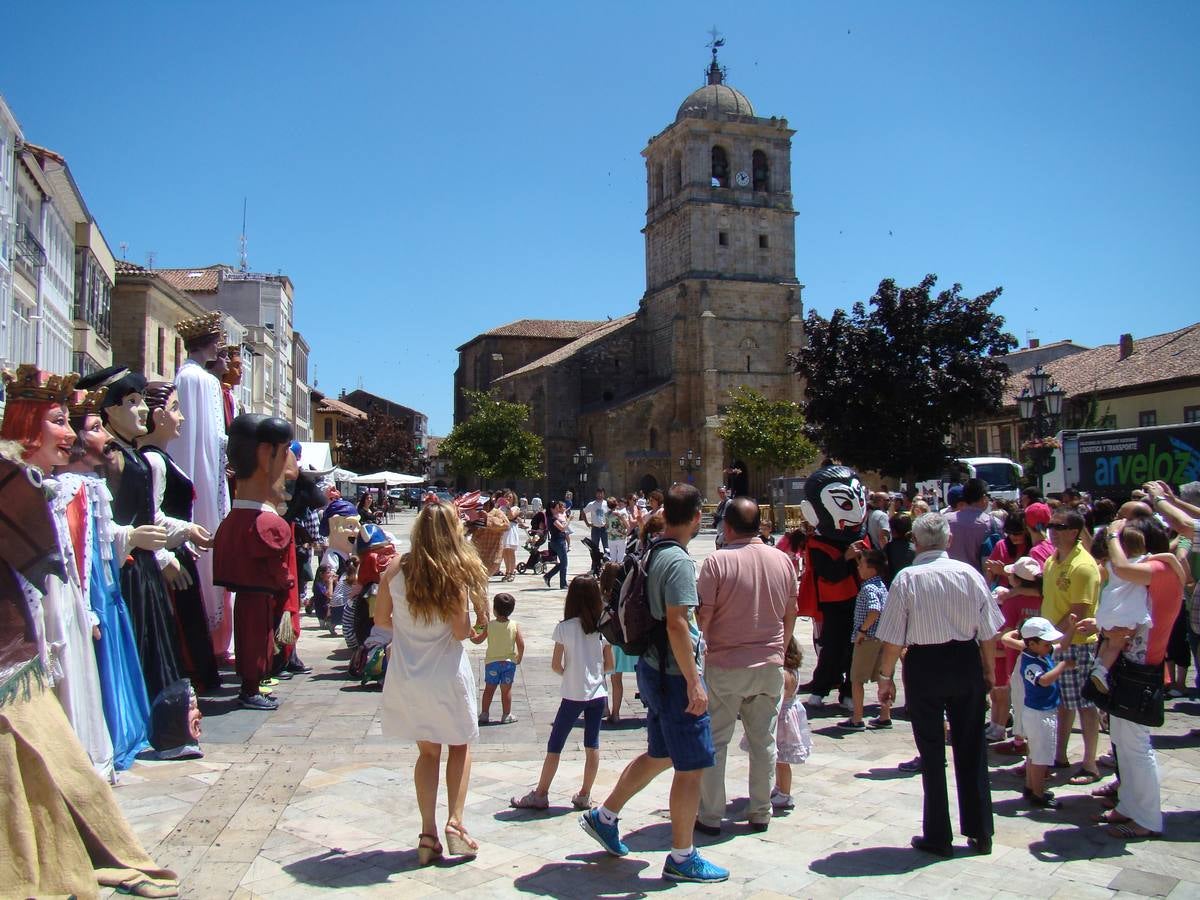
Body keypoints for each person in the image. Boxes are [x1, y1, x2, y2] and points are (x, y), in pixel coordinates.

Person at [579, 483, 728, 884]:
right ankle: (682, 855)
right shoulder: (678, 561)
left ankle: (604, 815)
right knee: (693, 766)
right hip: (675, 674)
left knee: (661, 754)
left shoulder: (651, 548)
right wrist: (696, 683)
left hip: (651, 666)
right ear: (697, 516)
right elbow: (679, 624)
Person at [876, 512, 1004, 858]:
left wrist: (885, 679)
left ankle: (938, 835)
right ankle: (980, 831)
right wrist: (989, 670)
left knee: (931, 753)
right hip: (965, 661)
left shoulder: (907, 579)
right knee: (971, 747)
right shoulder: (970, 574)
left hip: (925, 666)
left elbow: (891, 639)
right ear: (948, 540)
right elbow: (990, 630)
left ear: (916, 543)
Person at [376, 501, 489, 863]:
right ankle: (455, 822)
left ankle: (427, 833)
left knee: (427, 753)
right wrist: (477, 629)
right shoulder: (453, 574)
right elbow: (460, 632)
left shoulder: (396, 568)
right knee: (460, 745)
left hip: (408, 674)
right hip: (445, 676)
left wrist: (410, 636)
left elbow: (380, 619)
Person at [696, 497, 797, 834]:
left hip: (725, 664)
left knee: (717, 741)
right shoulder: (782, 560)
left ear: (726, 526)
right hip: (769, 664)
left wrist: (701, 658)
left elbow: (704, 617)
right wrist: (780, 650)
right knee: (764, 741)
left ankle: (710, 816)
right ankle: (760, 811)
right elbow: (790, 612)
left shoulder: (716, 562)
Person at [1093, 514, 1186, 839]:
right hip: (1131, 666)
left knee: (1136, 746)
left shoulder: (1161, 569)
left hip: (1141, 669)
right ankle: (1130, 806)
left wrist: (1114, 536)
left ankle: (1146, 818)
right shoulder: (1163, 565)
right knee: (1123, 742)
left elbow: (1120, 569)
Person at [138, 381, 222, 695]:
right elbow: (150, 515)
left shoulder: (162, 458)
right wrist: (185, 532)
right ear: (158, 416)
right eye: (175, 409)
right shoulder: (153, 462)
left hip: (176, 554)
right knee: (179, 632)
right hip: (167, 560)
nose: (182, 417)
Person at [211, 414, 296, 711]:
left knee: (251, 636)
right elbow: (275, 568)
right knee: (256, 640)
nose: (292, 466)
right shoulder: (267, 524)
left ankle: (253, 685)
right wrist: (285, 581)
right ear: (264, 454)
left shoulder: (232, 521)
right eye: (286, 451)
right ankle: (250, 687)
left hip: (248, 595)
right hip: (258, 597)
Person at [511, 575, 613, 810]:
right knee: (592, 744)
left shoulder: (564, 628)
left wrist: (570, 673)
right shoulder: (601, 628)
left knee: (555, 744)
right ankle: (585, 794)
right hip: (597, 693)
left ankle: (541, 793)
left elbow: (556, 664)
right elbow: (610, 664)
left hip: (573, 693)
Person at [167, 312, 233, 659]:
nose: (221, 350)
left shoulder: (184, 377)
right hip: (205, 475)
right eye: (218, 343)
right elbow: (209, 438)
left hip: (201, 470)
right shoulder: (203, 381)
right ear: (208, 344)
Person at [1041, 509, 1103, 785]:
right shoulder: (1053, 560)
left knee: (1085, 705)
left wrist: (1054, 635)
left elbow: (1079, 609)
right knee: (1063, 704)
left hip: (1076, 644)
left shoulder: (1083, 566)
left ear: (1074, 531)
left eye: (1058, 526)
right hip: (1056, 641)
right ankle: (1060, 755)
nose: (1052, 530)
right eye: (1050, 525)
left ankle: (1090, 764)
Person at [1017, 616, 1076, 808]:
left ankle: (1030, 786)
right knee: (1040, 756)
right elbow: (1044, 680)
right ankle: (1038, 793)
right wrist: (1062, 666)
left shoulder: (1041, 653)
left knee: (1035, 753)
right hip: (1039, 714)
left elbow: (1062, 645)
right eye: (1046, 643)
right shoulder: (1030, 663)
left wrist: (1072, 627)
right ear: (1032, 643)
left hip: (1042, 712)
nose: (1050, 646)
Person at [1089, 525, 1152, 692]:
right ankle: (1102, 670)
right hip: (1124, 611)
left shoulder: (1109, 565)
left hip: (1107, 610)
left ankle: (1098, 663)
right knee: (1117, 643)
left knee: (1109, 641)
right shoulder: (1140, 562)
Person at [840, 549, 892, 730]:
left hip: (868, 639)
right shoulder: (882, 585)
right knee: (883, 677)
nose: (859, 568)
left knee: (857, 679)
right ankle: (885, 715)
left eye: (862, 564)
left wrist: (863, 630)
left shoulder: (868, 588)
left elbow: (874, 609)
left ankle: (857, 718)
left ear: (872, 569)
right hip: (882, 639)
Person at [763, 637, 811, 811]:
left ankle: (785, 794)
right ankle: (779, 787)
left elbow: (778, 696)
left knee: (782, 759)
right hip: (787, 716)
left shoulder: (785, 674)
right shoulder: (793, 670)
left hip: (783, 719)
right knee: (777, 758)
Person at [471, 592, 524, 724]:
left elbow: (478, 640)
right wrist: (519, 657)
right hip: (508, 664)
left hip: (492, 663)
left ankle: (484, 714)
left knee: (489, 689)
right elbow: (521, 644)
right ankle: (506, 715)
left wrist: (472, 634)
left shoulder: (490, 625)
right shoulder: (515, 625)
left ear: (494, 610)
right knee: (506, 690)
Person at [601, 561, 638, 722]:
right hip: (627, 641)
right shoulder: (627, 593)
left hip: (611, 641)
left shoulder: (602, 596)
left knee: (614, 679)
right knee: (638, 678)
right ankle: (616, 713)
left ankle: (609, 711)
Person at [946, 479, 999, 574]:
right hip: (979, 579)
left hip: (949, 577)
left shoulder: (945, 520)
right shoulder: (991, 523)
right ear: (983, 497)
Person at [543, 500, 571, 589]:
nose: (558, 510)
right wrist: (569, 519)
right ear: (551, 509)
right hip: (558, 541)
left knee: (562, 563)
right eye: (556, 508)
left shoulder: (551, 517)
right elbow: (562, 528)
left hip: (556, 541)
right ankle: (563, 584)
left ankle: (548, 576)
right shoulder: (552, 519)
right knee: (564, 563)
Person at [584, 488, 609, 554]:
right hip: (595, 528)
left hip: (604, 528)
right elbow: (583, 512)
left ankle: (607, 562)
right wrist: (587, 523)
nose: (600, 495)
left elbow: (611, 513)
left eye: (601, 493)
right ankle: (595, 563)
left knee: (606, 547)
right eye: (598, 493)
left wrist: (609, 524)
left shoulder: (607, 504)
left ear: (604, 494)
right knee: (594, 547)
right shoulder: (591, 504)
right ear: (596, 494)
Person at [606, 496, 629, 565]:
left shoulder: (607, 514)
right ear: (616, 503)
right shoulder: (622, 513)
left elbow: (606, 526)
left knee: (612, 559)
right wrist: (620, 517)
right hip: (621, 537)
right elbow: (627, 525)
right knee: (620, 559)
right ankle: (619, 573)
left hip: (611, 537)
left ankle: (612, 572)